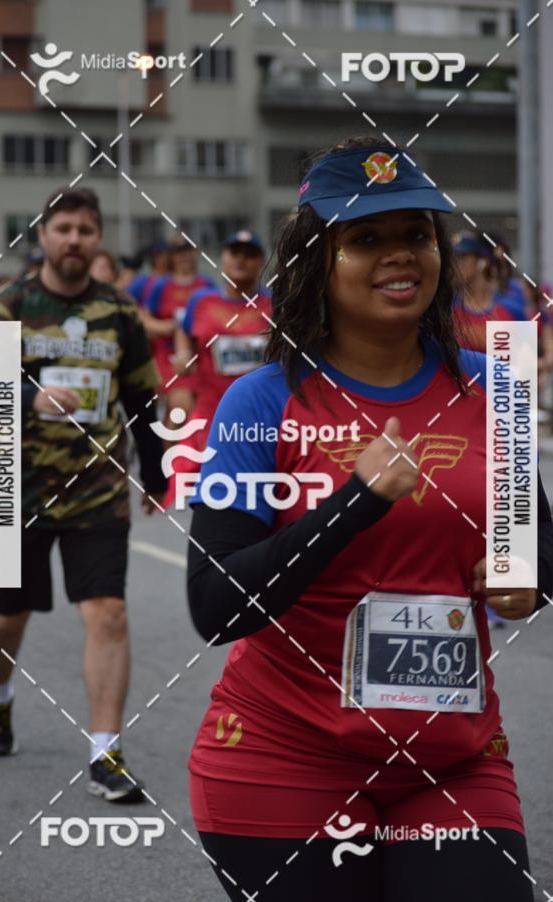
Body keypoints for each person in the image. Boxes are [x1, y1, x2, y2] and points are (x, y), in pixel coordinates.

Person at [185, 137, 553, 900]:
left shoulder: (498, 392)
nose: (400, 255)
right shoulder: (260, 403)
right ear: (318, 259)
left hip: (454, 761)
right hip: (282, 760)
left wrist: (528, 578)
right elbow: (216, 605)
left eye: (416, 234)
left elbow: (538, 544)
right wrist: (356, 503)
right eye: (366, 238)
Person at [0, 187, 166, 803]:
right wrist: (24, 397)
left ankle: (105, 755)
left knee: (107, 611)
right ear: (44, 236)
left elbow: (142, 396)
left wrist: (158, 474)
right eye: (63, 228)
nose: (74, 239)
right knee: (10, 614)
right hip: (13, 486)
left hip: (97, 487)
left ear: (98, 238)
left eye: (86, 229)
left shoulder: (119, 310)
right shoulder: (7, 307)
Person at [164, 231, 272, 507]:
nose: (241, 260)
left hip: (262, 419)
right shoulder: (202, 300)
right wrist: (184, 353)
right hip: (212, 414)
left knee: (260, 498)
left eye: (250, 255)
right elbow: (184, 330)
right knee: (209, 499)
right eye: (234, 253)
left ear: (260, 261)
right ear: (223, 258)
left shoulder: (274, 303)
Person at [143, 237, 216, 424]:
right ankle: (169, 452)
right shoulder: (161, 285)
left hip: (200, 356)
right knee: (180, 407)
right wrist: (164, 327)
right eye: (178, 252)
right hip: (168, 356)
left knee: (197, 411)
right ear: (172, 257)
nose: (183, 256)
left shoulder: (206, 285)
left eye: (186, 251)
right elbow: (143, 317)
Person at [452, 231, 525, 354]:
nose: (454, 264)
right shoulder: (445, 311)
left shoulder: (512, 310)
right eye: (451, 258)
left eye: (461, 257)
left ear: (483, 261)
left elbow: (525, 367)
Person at [127, 240, 171, 307]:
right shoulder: (143, 281)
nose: (161, 258)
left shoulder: (175, 279)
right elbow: (127, 298)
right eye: (158, 256)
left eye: (164, 255)